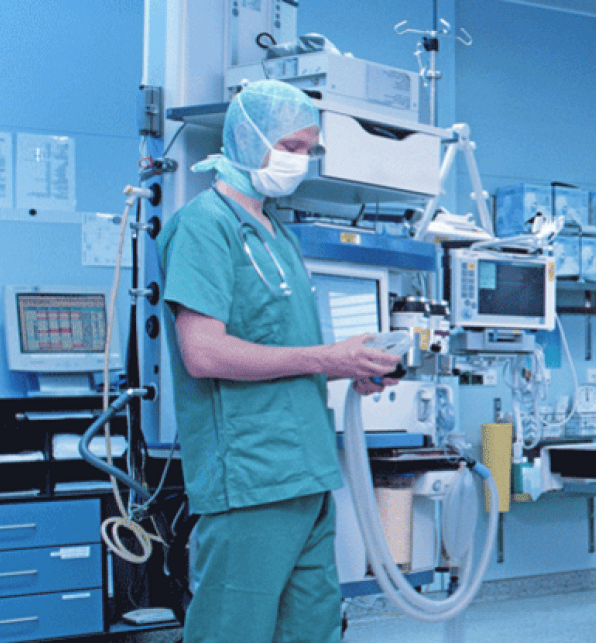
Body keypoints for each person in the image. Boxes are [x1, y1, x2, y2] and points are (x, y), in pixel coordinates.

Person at [159, 80, 403, 642]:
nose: (301, 161)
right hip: (251, 475)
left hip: (307, 470)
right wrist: (325, 357)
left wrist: (349, 366)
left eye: (308, 150)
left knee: (312, 629)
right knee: (233, 629)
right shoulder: (204, 226)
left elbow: (285, 345)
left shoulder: (276, 234)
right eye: (290, 147)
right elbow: (202, 352)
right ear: (247, 139)